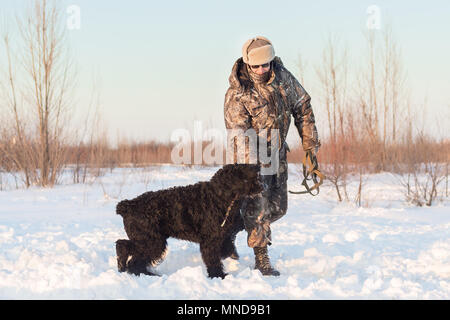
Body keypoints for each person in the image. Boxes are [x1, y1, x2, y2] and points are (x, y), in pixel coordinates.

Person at [224, 36, 320, 276]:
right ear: (247, 64)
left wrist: (310, 147)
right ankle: (261, 258)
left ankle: (230, 229)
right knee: (259, 206)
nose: (261, 70)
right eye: (256, 66)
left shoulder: (282, 77)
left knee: (278, 208)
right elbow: (238, 133)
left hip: (278, 152)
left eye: (265, 64)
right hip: (251, 159)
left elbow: (303, 107)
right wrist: (251, 170)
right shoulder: (238, 92)